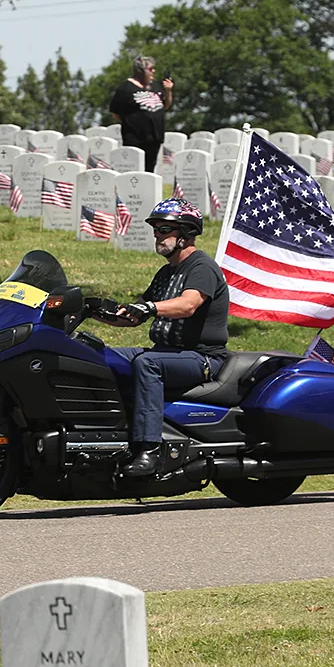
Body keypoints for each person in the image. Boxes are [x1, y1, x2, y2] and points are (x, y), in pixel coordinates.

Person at [96, 198, 229, 477]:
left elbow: (188, 304)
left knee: (147, 364)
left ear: (185, 233)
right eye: (156, 228)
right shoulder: (166, 272)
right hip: (166, 352)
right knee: (101, 356)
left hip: (201, 358)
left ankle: (150, 450)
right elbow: (133, 316)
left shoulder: (201, 267)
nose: (157, 234)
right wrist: (94, 312)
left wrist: (151, 307)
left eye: (164, 229)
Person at [108, 55, 174, 172]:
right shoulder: (125, 89)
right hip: (135, 139)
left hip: (154, 137)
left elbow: (165, 106)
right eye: (150, 69)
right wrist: (132, 123)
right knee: (135, 172)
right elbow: (115, 113)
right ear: (140, 71)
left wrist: (168, 90)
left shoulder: (155, 86)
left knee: (149, 170)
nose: (153, 71)